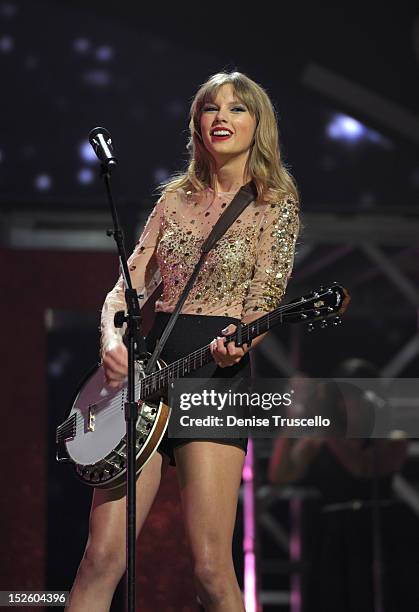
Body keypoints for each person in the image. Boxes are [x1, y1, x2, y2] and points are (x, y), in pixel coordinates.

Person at [67, 71, 300, 611]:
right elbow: (125, 291)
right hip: (149, 376)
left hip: (217, 379)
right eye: (210, 108)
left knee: (212, 569)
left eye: (237, 109)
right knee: (101, 559)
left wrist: (243, 343)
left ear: (258, 125)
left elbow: (265, 296)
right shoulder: (173, 201)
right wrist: (111, 341)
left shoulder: (275, 203)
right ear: (196, 124)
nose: (222, 117)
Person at [268, 360, 409, 612]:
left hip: (378, 538)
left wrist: (319, 416)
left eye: (356, 396)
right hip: (333, 541)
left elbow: (360, 468)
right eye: (345, 397)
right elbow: (280, 475)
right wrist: (294, 416)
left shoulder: (392, 439)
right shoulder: (320, 439)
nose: (350, 404)